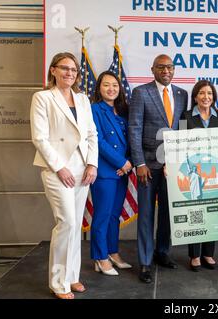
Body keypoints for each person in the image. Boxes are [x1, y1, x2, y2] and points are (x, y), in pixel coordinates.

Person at [30, 52, 98, 299]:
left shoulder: (83, 99)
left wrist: (92, 164)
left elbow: (92, 135)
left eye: (74, 70)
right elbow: (40, 138)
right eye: (64, 68)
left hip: (82, 170)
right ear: (53, 70)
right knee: (66, 222)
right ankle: (58, 282)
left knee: (75, 224)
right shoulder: (42, 98)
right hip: (57, 169)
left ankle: (71, 276)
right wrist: (60, 167)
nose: (70, 73)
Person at [128, 54, 188, 283]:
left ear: (174, 70)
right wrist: (139, 163)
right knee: (145, 214)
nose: (166, 71)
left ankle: (162, 252)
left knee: (168, 212)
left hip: (172, 166)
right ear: (152, 70)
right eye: (161, 67)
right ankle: (144, 262)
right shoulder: (141, 93)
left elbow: (182, 128)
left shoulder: (182, 94)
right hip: (148, 166)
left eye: (170, 67)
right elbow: (134, 129)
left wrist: (180, 161)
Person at [90, 71, 133, 276]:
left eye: (115, 85)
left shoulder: (123, 111)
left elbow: (132, 139)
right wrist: (121, 162)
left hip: (122, 172)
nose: (111, 89)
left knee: (114, 216)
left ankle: (112, 252)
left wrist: (129, 163)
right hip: (105, 171)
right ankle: (100, 257)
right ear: (99, 88)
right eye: (106, 85)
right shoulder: (94, 110)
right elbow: (98, 141)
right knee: (102, 216)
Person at [182, 80, 218, 272]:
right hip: (193, 171)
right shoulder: (186, 116)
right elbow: (181, 144)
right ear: (195, 97)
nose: (206, 97)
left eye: (209, 93)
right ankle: (195, 255)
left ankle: (208, 253)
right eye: (201, 93)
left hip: (214, 172)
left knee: (212, 212)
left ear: (214, 97)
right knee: (196, 213)